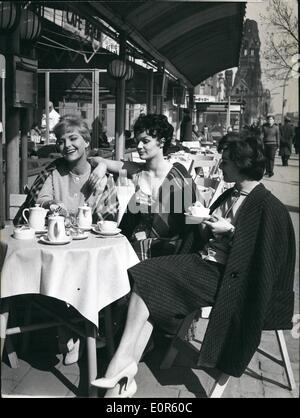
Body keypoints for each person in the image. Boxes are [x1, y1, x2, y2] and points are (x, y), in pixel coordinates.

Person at [91, 132, 295, 398]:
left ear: (242, 164)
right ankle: (122, 370)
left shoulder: (270, 207)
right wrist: (203, 224)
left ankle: (120, 366)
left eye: (225, 162)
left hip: (230, 280)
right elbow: (206, 240)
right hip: (206, 266)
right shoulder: (229, 195)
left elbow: (267, 260)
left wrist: (231, 232)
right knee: (147, 279)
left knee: (147, 275)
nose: (220, 166)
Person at [14, 115, 119, 365]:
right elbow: (40, 201)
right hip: (58, 246)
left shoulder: (101, 175)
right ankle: (73, 331)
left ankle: (78, 330)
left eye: (73, 138)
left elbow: (109, 215)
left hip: (88, 250)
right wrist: (54, 206)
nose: (67, 145)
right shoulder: (54, 171)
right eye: (61, 141)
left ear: (86, 142)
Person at [88, 114, 198, 261]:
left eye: (145, 141)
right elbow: (94, 159)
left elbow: (192, 221)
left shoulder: (177, 174)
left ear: (161, 142)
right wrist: (101, 166)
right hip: (138, 245)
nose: (139, 147)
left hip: (170, 249)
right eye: (137, 141)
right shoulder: (136, 171)